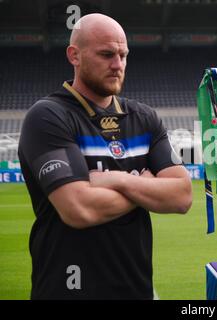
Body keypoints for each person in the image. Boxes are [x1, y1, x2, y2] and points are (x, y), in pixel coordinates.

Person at [17, 13, 192, 300]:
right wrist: (144, 185)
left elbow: (182, 196)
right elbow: (78, 209)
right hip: (67, 291)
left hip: (138, 291)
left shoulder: (144, 118)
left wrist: (114, 179)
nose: (118, 65)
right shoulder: (48, 117)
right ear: (74, 55)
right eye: (107, 54)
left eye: (123, 55)